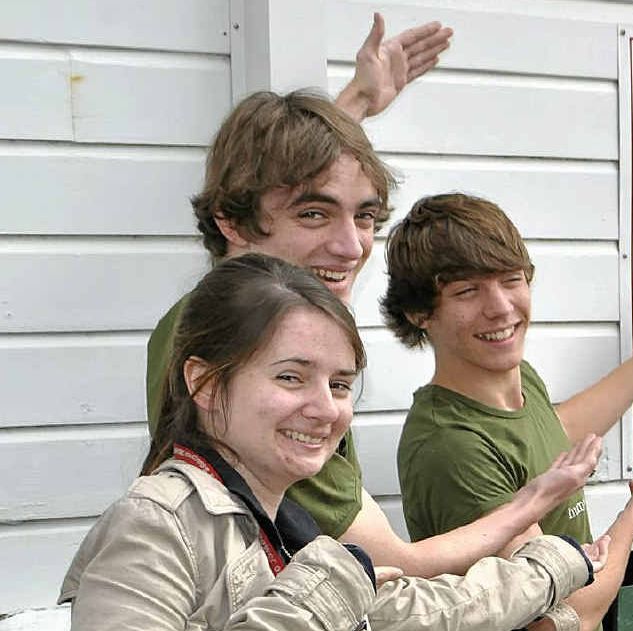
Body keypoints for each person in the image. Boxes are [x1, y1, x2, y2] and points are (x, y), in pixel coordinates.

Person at [144, 20, 605, 628]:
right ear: (232, 220)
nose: (352, 246)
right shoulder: (249, 360)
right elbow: (392, 567)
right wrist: (538, 511)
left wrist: (354, 105)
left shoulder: (208, 319)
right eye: (315, 215)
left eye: (366, 217)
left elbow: (277, 196)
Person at [64, 254, 606, 630]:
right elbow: (331, 591)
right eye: (290, 377)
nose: (325, 409)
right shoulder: (158, 524)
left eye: (340, 384)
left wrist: (557, 565)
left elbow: (431, 610)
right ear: (205, 383)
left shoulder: (285, 528)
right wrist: (328, 587)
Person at [383, 193, 633, 631]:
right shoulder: (452, 447)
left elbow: (555, 431)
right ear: (419, 312)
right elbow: (565, 614)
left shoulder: (515, 378)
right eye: (467, 291)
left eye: (511, 279)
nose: (501, 307)